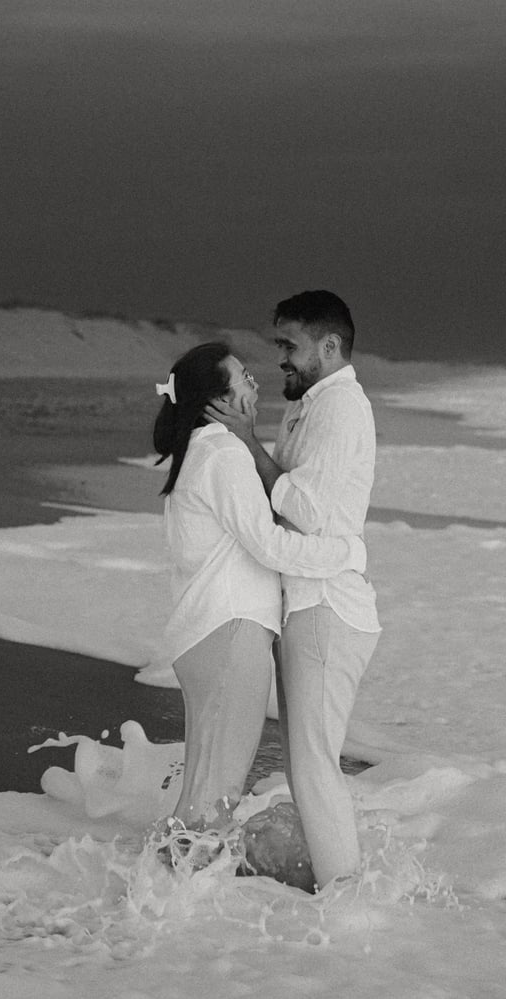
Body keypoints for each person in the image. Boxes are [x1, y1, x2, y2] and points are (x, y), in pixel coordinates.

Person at [152, 341, 367, 838]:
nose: (255, 382)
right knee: (215, 794)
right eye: (243, 376)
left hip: (212, 634)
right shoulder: (222, 454)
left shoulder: (201, 452)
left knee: (205, 788)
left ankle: (166, 895)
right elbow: (269, 545)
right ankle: (171, 902)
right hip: (230, 635)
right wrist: (347, 553)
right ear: (220, 400)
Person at [206, 290, 381, 888]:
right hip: (308, 601)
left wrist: (249, 442)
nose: (279, 357)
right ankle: (335, 881)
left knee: (310, 766)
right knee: (310, 763)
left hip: (327, 606)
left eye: (290, 345)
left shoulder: (340, 409)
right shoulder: (312, 404)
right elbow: (281, 502)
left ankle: (346, 902)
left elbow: (302, 508)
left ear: (329, 347)